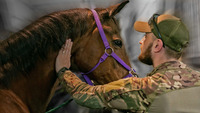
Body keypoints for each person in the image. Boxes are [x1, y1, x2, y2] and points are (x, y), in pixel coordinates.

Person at [55, 14, 200, 113]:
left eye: (145, 37)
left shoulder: (143, 88)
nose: (141, 41)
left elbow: (85, 95)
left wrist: (63, 70)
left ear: (157, 45)